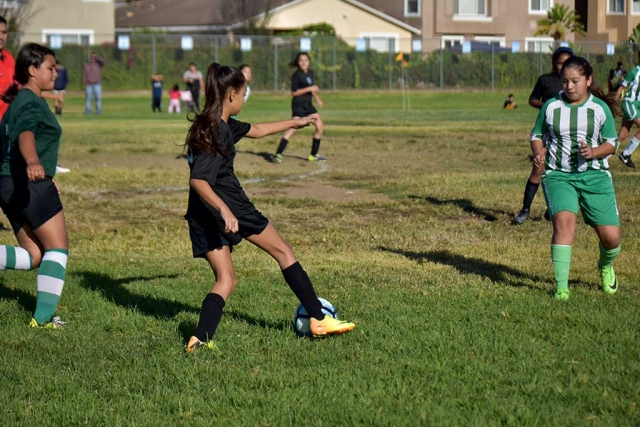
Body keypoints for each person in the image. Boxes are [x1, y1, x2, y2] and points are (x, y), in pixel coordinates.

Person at [183, 63, 355, 352]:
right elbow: (199, 180)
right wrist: (225, 211)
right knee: (283, 251)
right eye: (244, 93)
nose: (245, 98)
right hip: (231, 208)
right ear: (231, 95)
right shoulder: (217, 131)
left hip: (200, 213)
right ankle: (318, 318)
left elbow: (259, 130)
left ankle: (199, 339)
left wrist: (293, 122)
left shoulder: (212, 123)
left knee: (226, 279)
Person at [531, 56, 621, 300]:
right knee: (564, 224)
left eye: (575, 81)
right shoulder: (551, 106)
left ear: (589, 80)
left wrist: (593, 152)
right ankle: (561, 289)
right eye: (564, 81)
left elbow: (612, 143)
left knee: (612, 238)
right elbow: (536, 134)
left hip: (595, 177)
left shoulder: (599, 109)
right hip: (558, 175)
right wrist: (538, 153)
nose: (569, 87)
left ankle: (605, 265)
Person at [0, 43, 69, 327]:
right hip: (29, 182)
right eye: (50, 68)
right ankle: (42, 319)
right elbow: (26, 134)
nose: (55, 73)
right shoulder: (29, 102)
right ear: (32, 69)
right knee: (57, 248)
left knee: (34, 255)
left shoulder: (16, 103)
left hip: (8, 184)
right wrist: (33, 163)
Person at [513, 46, 574, 225]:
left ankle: (553, 209)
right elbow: (532, 99)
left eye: (567, 62)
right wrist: (545, 107)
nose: (563, 66)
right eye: (560, 62)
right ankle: (525, 209)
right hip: (548, 132)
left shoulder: (574, 84)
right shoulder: (546, 80)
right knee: (538, 167)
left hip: (567, 133)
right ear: (554, 63)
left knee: (563, 170)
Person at [273, 52, 326, 163]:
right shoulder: (296, 75)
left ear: (309, 62)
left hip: (308, 105)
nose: (303, 62)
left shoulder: (311, 73)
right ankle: (278, 153)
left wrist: (317, 98)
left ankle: (313, 154)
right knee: (293, 128)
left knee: (320, 127)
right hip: (298, 105)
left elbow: (310, 89)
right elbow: (294, 93)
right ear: (298, 63)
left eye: (306, 60)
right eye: (301, 60)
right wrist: (309, 89)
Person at [616, 52, 640, 169]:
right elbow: (622, 86)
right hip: (630, 104)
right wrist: (614, 101)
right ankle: (625, 154)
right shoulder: (635, 71)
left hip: (635, 106)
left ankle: (602, 155)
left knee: (623, 134)